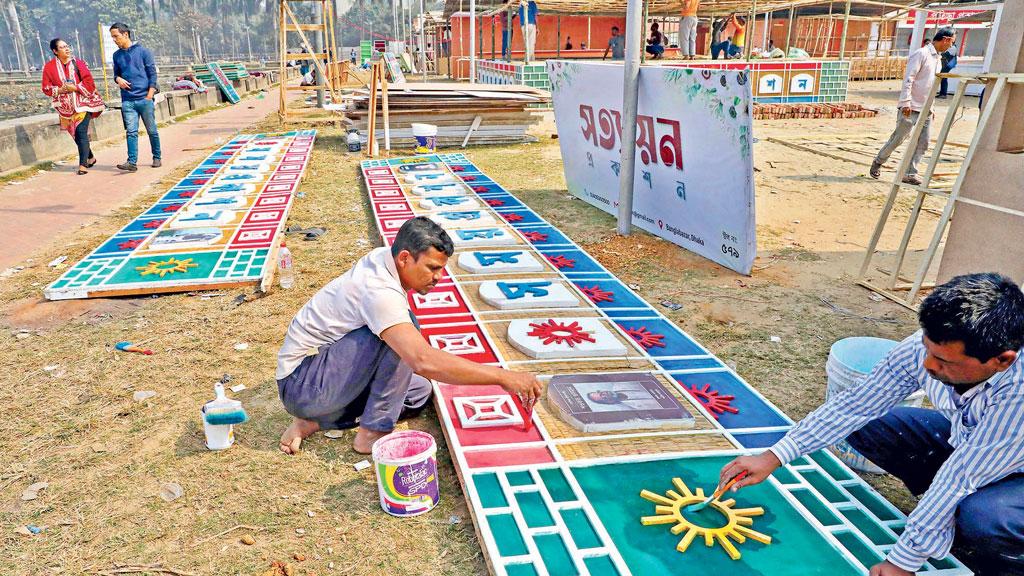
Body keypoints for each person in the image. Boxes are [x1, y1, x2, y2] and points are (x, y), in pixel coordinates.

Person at [719, 272, 1024, 576]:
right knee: (875, 426)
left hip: (1013, 467)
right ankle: (944, 521)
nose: (929, 364)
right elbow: (855, 404)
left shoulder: (1018, 394)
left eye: (945, 361)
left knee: (986, 515)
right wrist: (774, 456)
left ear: (1001, 360)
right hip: (979, 445)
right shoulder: (925, 349)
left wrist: (901, 563)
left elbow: (960, 476)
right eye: (928, 349)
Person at [276, 217, 543, 455]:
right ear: (404, 258)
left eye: (440, 268)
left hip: (325, 377)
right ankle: (371, 434)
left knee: (418, 392)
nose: (439, 277)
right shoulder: (380, 293)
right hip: (302, 383)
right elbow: (422, 360)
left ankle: (314, 419)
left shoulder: (386, 259)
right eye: (432, 268)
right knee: (402, 338)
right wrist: (502, 377)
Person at [870, 28, 955, 186]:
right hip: (911, 106)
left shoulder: (938, 58)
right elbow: (909, 78)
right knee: (898, 139)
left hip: (926, 109)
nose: (951, 46)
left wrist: (932, 107)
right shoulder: (921, 54)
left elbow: (931, 85)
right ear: (945, 39)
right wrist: (905, 102)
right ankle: (878, 161)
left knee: (924, 142)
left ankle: (910, 173)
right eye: (951, 42)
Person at [41, 38, 104, 176]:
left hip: (83, 103)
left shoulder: (78, 63)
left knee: (81, 131)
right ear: (55, 51)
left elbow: (89, 82)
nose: (67, 49)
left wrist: (75, 87)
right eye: (63, 47)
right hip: (64, 108)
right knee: (76, 135)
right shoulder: (49, 67)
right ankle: (90, 157)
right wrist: (60, 90)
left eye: (67, 46)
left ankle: (82, 165)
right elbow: (46, 88)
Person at [110, 22, 161, 171]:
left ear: (125, 34)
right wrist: (117, 79)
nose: (114, 40)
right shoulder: (116, 55)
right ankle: (132, 162)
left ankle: (157, 156)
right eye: (112, 37)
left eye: (116, 36)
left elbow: (152, 75)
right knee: (131, 132)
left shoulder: (144, 52)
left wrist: (149, 96)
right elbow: (116, 74)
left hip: (144, 98)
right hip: (127, 100)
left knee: (152, 130)